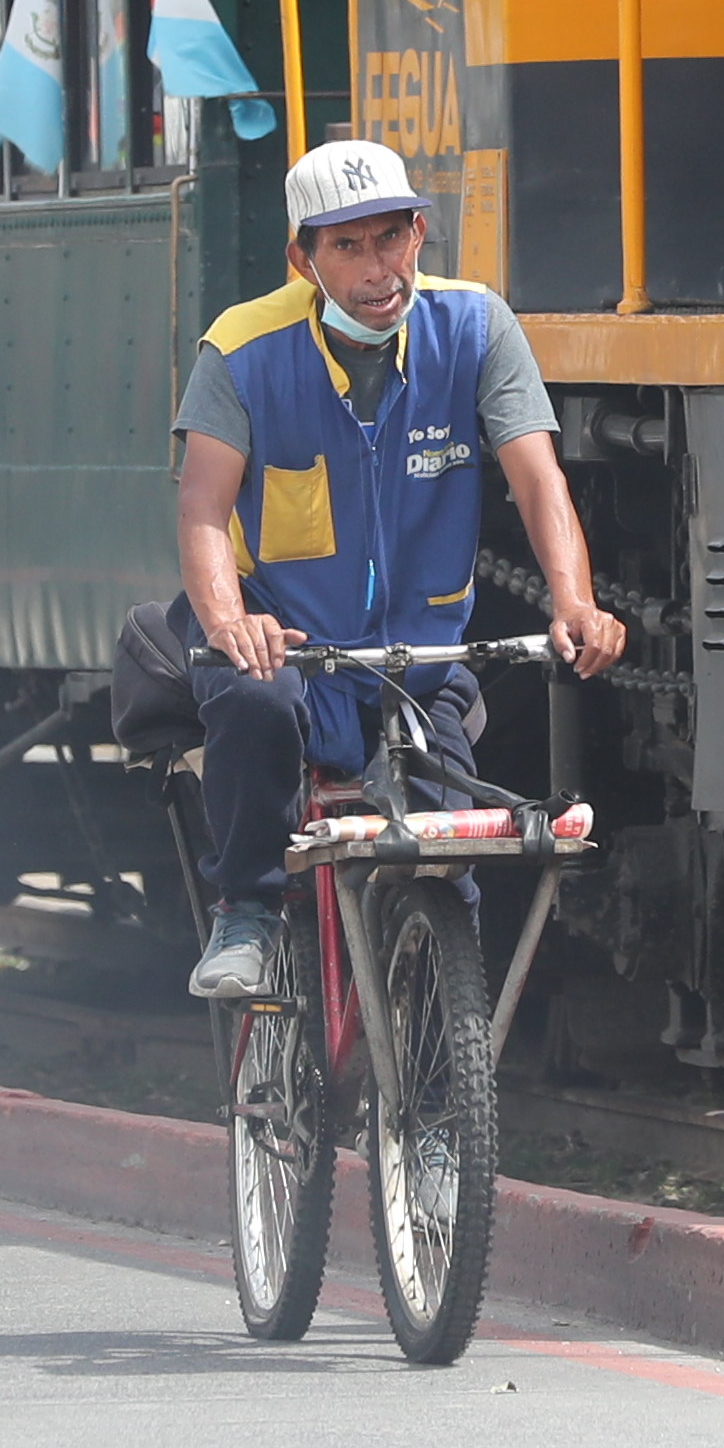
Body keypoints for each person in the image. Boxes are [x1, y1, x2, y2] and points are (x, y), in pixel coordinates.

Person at [160, 138, 624, 1003]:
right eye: (347, 246)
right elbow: (201, 508)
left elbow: (536, 476)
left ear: (419, 233)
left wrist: (576, 603)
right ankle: (249, 914)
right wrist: (231, 624)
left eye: (392, 237)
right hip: (287, 645)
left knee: (451, 859)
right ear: (304, 258)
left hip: (416, 662)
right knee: (255, 708)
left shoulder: (478, 328)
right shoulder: (242, 350)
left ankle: (440, 1108)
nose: (379, 270)